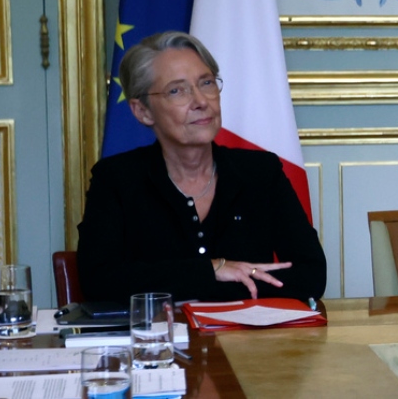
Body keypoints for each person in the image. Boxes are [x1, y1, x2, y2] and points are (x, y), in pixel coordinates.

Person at [77, 32, 326, 302]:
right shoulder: (116, 179)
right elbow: (99, 283)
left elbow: (311, 275)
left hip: (248, 340)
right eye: (177, 90)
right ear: (143, 111)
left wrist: (190, 284)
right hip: (157, 342)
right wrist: (212, 270)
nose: (201, 101)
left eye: (206, 83)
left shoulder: (260, 172)